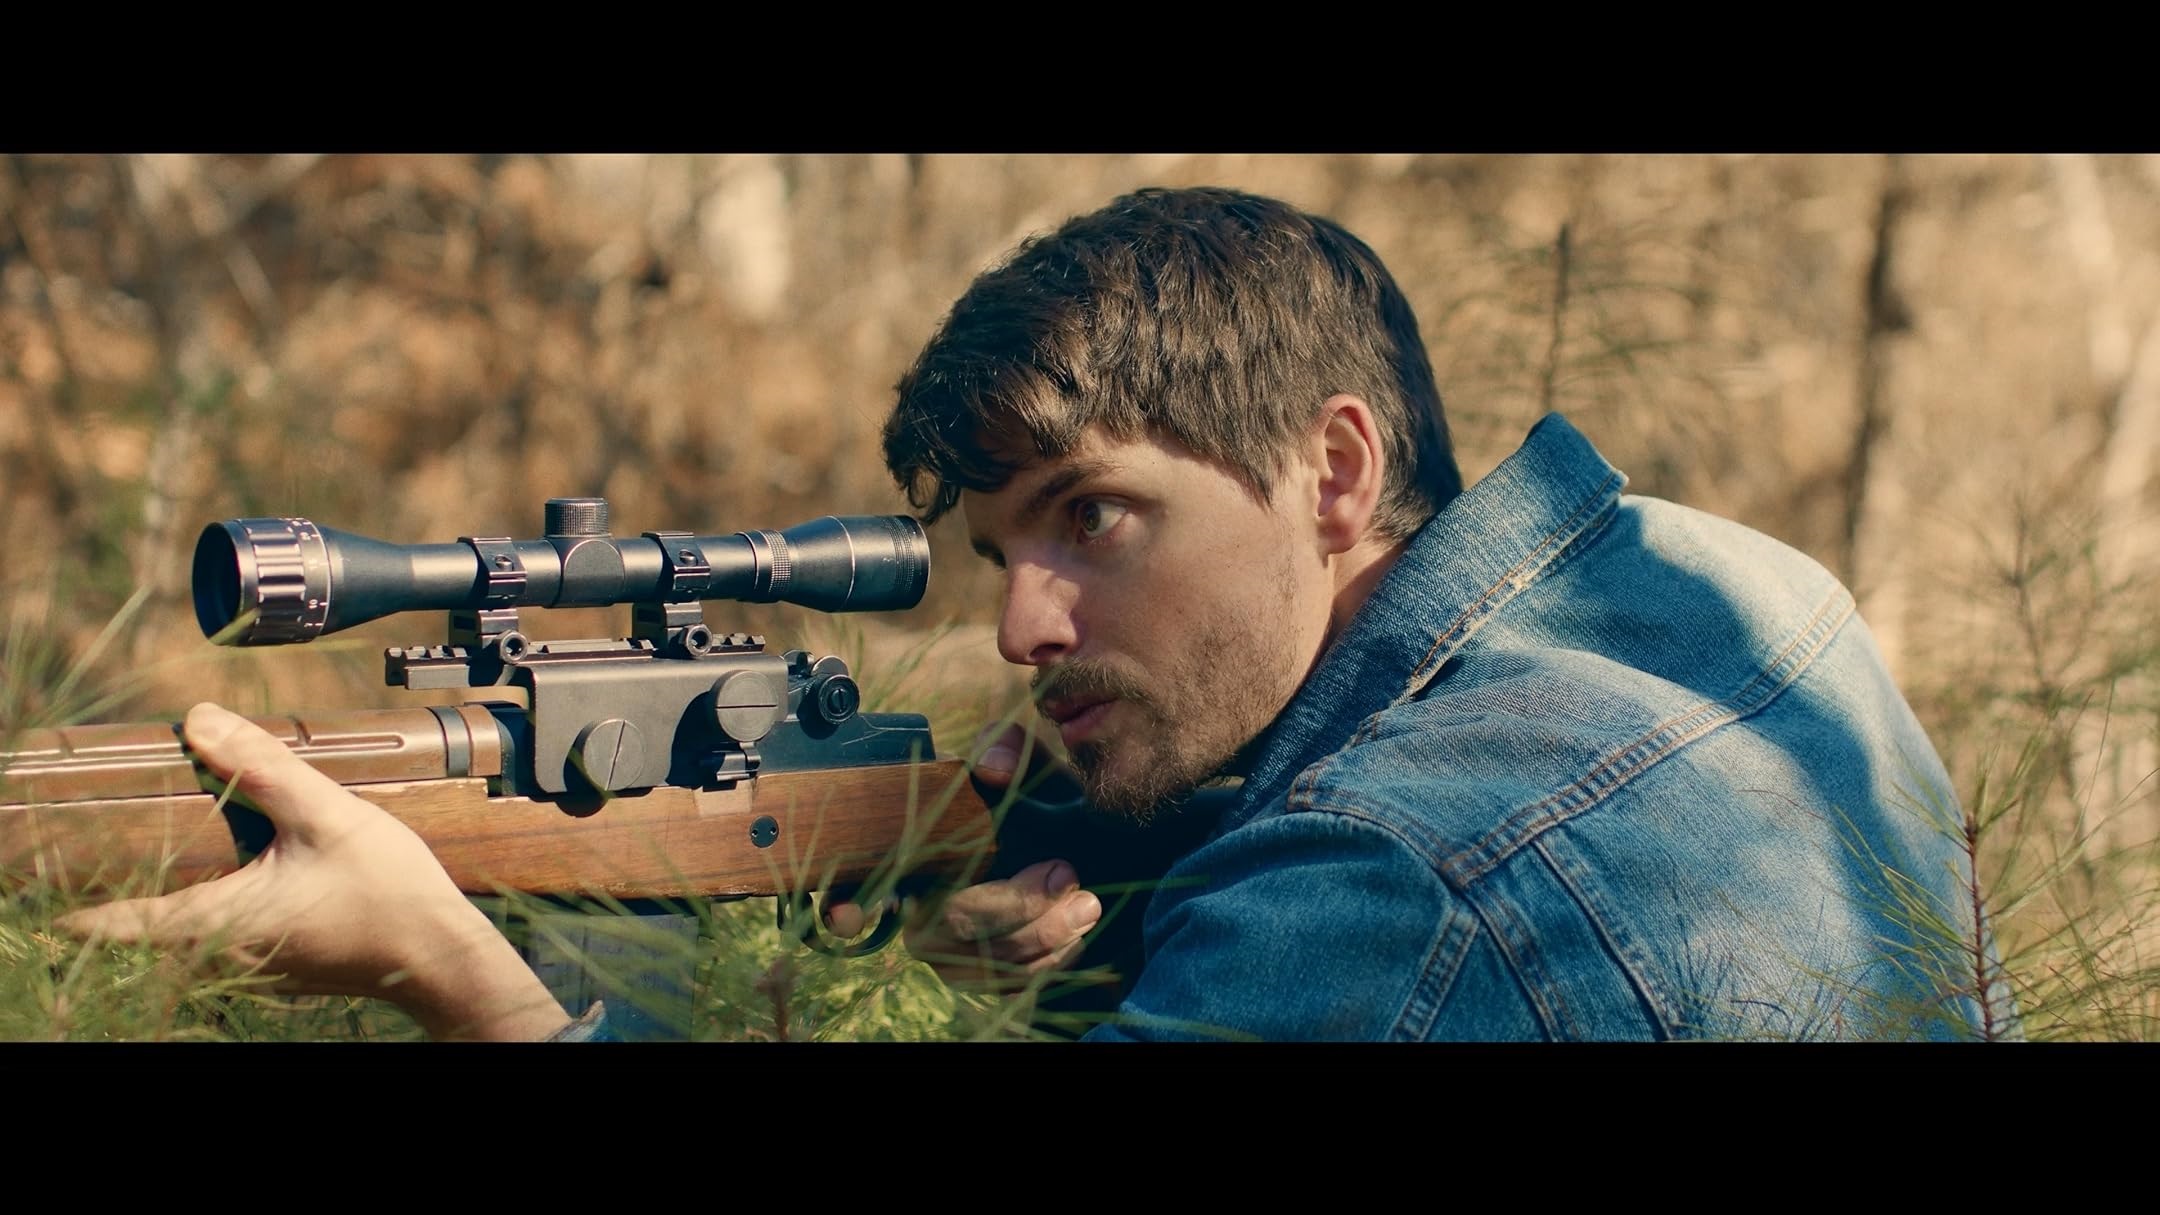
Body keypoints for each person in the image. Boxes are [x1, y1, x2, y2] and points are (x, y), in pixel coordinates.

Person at [60, 186, 2009, 1042]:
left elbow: (1383, 919)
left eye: (1097, 518)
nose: (1024, 626)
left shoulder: (1388, 882)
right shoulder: (1702, 582)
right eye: (1002, 550)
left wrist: (463, 979)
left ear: (1336, 470)